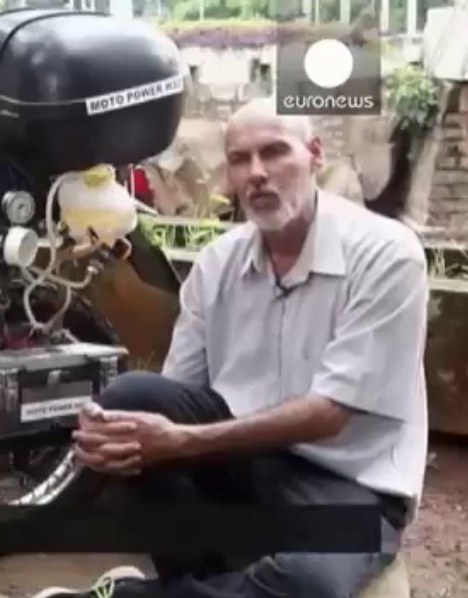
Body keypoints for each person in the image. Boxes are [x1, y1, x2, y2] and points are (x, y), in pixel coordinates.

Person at [32, 98, 429, 598]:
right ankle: (201, 579)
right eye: (240, 159)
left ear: (314, 155)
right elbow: (175, 394)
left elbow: (330, 413)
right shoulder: (218, 264)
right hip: (242, 463)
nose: (257, 173)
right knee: (129, 402)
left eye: (274, 152)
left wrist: (181, 441)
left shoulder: (386, 254)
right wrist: (108, 432)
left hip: (348, 484)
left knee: (310, 585)